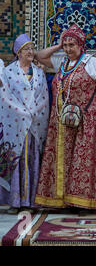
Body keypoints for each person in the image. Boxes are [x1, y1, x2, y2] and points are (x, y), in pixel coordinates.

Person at [34, 24, 96, 211]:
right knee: (65, 158)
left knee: (82, 159)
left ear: (81, 45)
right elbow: (39, 56)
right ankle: (63, 199)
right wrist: (59, 46)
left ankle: (82, 201)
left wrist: (88, 108)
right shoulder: (62, 61)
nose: (68, 49)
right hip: (62, 120)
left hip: (85, 121)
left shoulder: (91, 63)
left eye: (71, 45)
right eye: (66, 45)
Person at [0, 35, 49, 214]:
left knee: (32, 159)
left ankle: (31, 202)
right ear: (18, 52)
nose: (30, 52)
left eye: (32, 48)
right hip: (16, 123)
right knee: (17, 161)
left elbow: (43, 97)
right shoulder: (8, 72)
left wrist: (34, 111)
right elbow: (5, 97)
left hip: (34, 123)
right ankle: (16, 202)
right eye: (26, 49)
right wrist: (21, 112)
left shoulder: (38, 72)